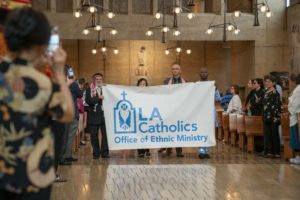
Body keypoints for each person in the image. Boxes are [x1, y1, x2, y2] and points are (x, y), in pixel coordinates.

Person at [0, 7, 73, 199]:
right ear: (42, 44)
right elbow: (67, 113)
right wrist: (58, 71)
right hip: (32, 176)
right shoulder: (43, 84)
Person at [158, 63, 185, 157]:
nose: (175, 70)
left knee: (179, 130)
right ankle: (168, 149)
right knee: (169, 129)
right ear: (171, 71)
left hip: (180, 109)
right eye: (173, 69)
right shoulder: (166, 81)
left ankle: (179, 151)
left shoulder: (185, 82)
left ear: (180, 70)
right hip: (169, 109)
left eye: (177, 69)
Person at [61, 65, 83, 163]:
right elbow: (80, 94)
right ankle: (64, 157)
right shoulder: (73, 84)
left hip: (62, 114)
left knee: (64, 136)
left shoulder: (59, 83)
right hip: (72, 114)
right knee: (69, 136)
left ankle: (67, 155)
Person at [198, 67, 221, 159]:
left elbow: (218, 99)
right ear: (199, 74)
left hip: (210, 111)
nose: (203, 73)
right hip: (200, 112)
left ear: (208, 74)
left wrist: (215, 89)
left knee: (209, 132)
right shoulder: (197, 85)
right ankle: (201, 151)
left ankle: (206, 151)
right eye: (202, 72)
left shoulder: (212, 85)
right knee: (201, 131)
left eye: (205, 72)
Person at [85, 73, 109, 159]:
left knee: (105, 135)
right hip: (93, 115)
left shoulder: (106, 89)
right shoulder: (88, 89)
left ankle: (105, 153)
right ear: (94, 80)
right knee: (94, 136)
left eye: (100, 79)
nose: (99, 80)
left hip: (104, 115)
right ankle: (96, 153)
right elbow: (89, 101)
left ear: (102, 80)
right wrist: (98, 98)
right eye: (97, 79)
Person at [261, 75, 282, 158]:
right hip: (266, 116)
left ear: (273, 83)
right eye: (266, 81)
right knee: (267, 134)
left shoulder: (275, 93)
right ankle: (269, 151)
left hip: (274, 117)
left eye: (269, 81)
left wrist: (277, 116)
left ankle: (276, 153)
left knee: (274, 134)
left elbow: (279, 105)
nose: (267, 83)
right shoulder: (265, 92)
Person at [136, 78, 151, 158]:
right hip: (138, 116)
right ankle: (140, 151)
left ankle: (147, 149)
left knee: (147, 133)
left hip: (147, 116)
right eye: (141, 84)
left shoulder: (149, 94)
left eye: (144, 84)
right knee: (139, 133)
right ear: (138, 85)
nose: (143, 85)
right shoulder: (134, 93)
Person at [288, 74, 300, 164]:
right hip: (293, 117)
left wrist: (290, 111)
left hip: (296, 117)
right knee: (294, 137)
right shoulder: (296, 90)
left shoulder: (298, 90)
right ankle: (297, 156)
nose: (289, 83)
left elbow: (296, 104)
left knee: (296, 137)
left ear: (294, 82)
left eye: (290, 81)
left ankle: (298, 157)